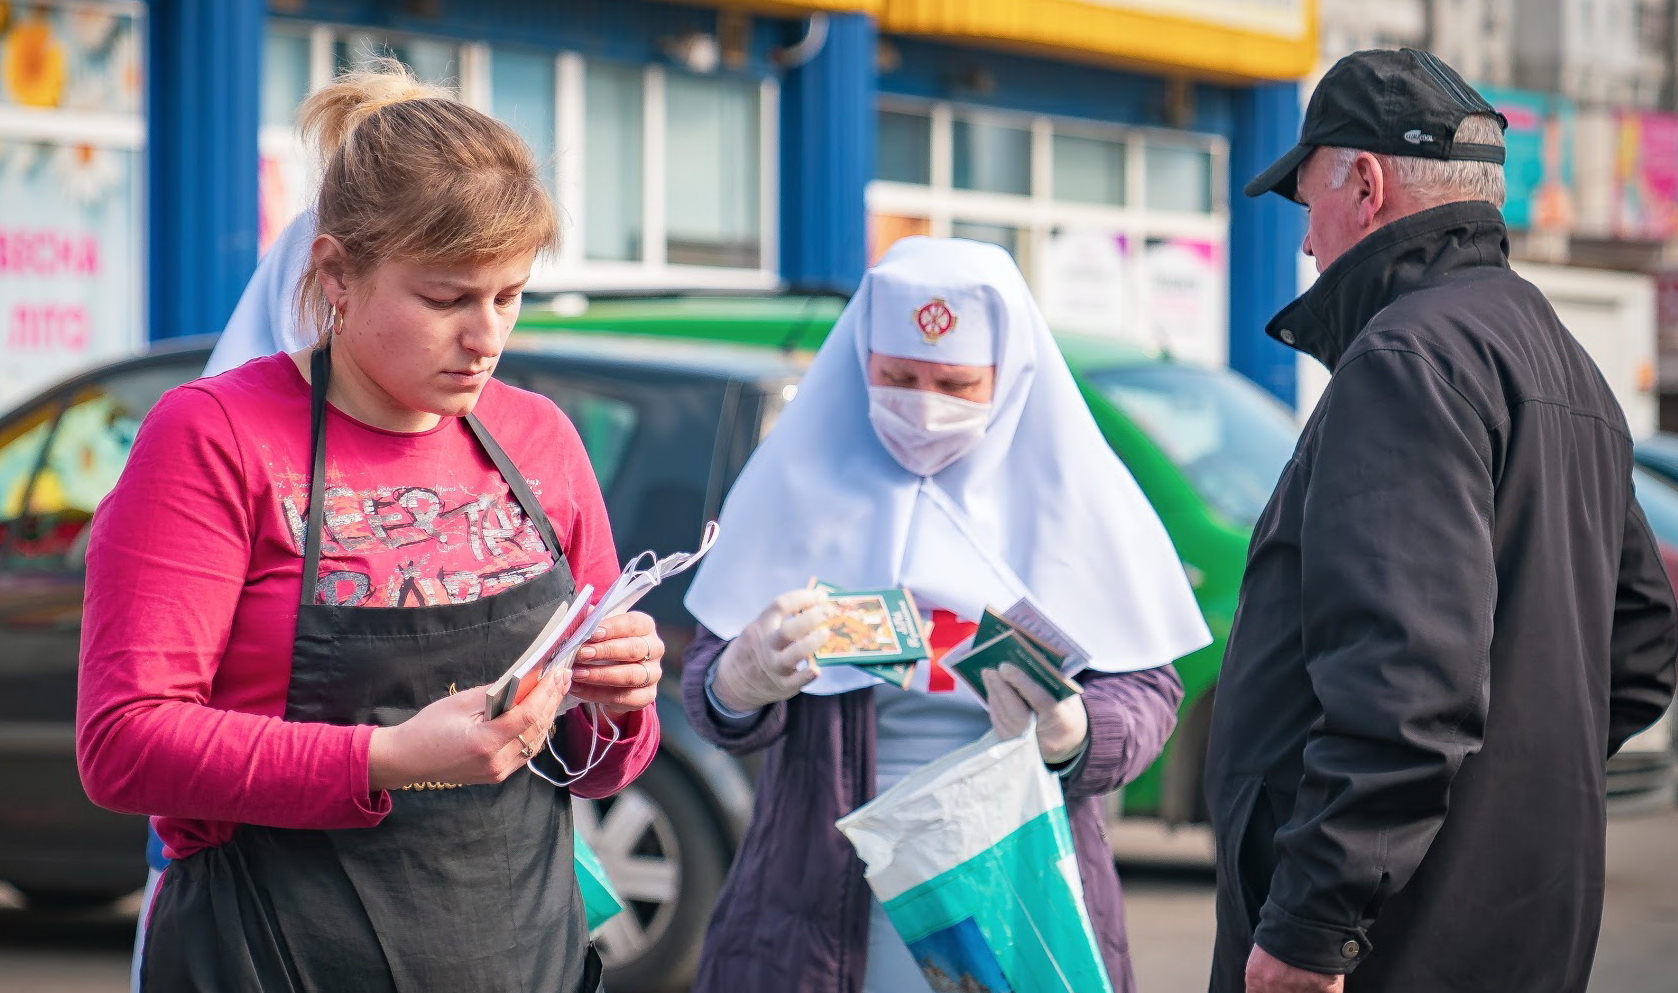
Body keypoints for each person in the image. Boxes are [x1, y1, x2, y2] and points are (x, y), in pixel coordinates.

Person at [77, 60, 663, 993]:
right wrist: (386, 756)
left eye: (509, 295)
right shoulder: (213, 437)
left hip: (524, 956)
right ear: (336, 272)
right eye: (446, 300)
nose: (487, 337)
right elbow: (124, 743)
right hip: (274, 956)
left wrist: (618, 698)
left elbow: (595, 770)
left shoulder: (536, 436)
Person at [1207, 48, 1678, 993]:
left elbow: (1403, 675)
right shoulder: (1558, 356)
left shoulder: (1407, 358)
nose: (1307, 244)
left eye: (1309, 204)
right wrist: (1506, 799)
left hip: (1390, 945)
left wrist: (1315, 919)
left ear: (1368, 184)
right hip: (1521, 928)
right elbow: (1643, 643)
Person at [678, 236, 1213, 993]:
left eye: (956, 383)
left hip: (1017, 875)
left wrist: (1079, 731)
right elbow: (710, 685)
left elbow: (1149, 690)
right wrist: (736, 681)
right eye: (896, 376)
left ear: (1011, 376)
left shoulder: (1076, 495)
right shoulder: (797, 478)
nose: (922, 405)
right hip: (825, 889)